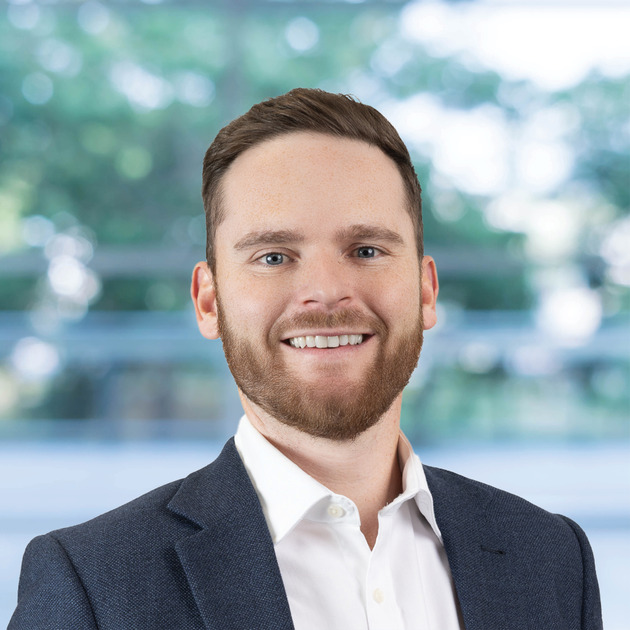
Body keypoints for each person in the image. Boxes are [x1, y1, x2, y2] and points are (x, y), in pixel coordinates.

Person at [9, 88, 602, 630]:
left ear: (425, 291)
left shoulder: (552, 558)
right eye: (273, 256)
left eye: (366, 250)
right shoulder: (91, 587)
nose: (325, 292)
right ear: (209, 301)